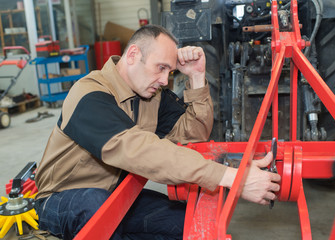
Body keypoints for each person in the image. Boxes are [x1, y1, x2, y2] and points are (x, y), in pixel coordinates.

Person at [34, 25, 281, 240]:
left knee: (189, 223)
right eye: (160, 67)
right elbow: (139, 150)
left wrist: (196, 77)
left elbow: (193, 137)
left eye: (169, 72)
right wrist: (232, 178)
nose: (164, 80)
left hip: (116, 197)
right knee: (94, 206)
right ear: (133, 55)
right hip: (61, 200)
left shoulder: (150, 95)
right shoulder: (89, 95)